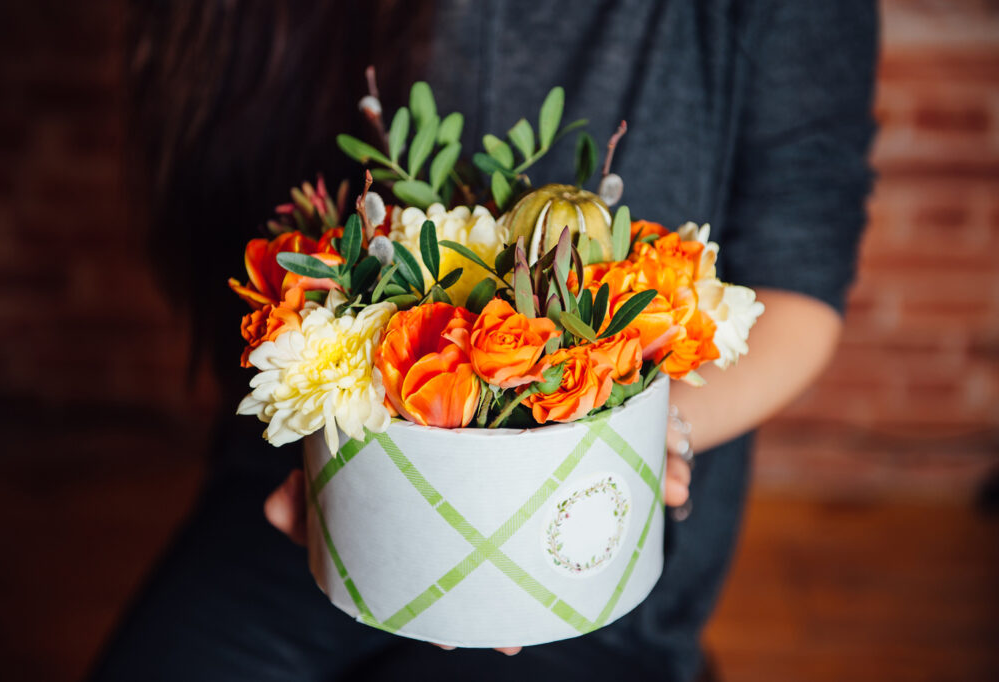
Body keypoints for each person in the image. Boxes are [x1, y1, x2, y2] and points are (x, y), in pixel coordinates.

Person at [92, 1, 877, 680]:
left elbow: (800, 292)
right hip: (316, 497)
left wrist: (616, 441)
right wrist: (351, 470)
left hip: (581, 536)